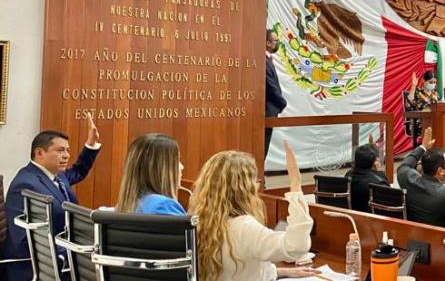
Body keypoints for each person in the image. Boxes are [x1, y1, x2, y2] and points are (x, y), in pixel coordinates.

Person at [189, 141, 313, 281]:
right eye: (255, 180)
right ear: (243, 189)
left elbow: (238, 271)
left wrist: (278, 271)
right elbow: (296, 247)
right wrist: (295, 183)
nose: (257, 186)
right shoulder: (244, 227)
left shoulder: (200, 220)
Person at [2, 113, 101, 281]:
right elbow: (26, 239)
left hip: (64, 258)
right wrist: (69, 253)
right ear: (39, 153)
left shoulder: (56, 175)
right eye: (60, 150)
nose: (66, 155)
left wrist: (91, 145)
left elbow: (78, 171)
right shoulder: (26, 185)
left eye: (67, 151)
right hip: (36, 268)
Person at [397, 127, 445, 228]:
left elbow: (404, 165)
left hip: (412, 235)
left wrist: (423, 147)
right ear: (440, 171)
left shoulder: (407, 179)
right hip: (439, 238)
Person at [115, 134, 185, 215]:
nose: (182, 167)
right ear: (161, 169)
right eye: (177, 160)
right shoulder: (165, 206)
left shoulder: (126, 205)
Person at [346, 143, 389, 211]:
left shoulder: (348, 175)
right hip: (371, 216)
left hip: (351, 215)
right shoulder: (379, 183)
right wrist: (378, 173)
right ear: (375, 162)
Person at [265, 29, 287, 160]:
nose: (277, 43)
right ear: (268, 43)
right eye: (276, 41)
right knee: (262, 148)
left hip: (270, 111)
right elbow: (270, 85)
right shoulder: (263, 60)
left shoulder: (267, 59)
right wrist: (282, 103)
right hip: (266, 111)